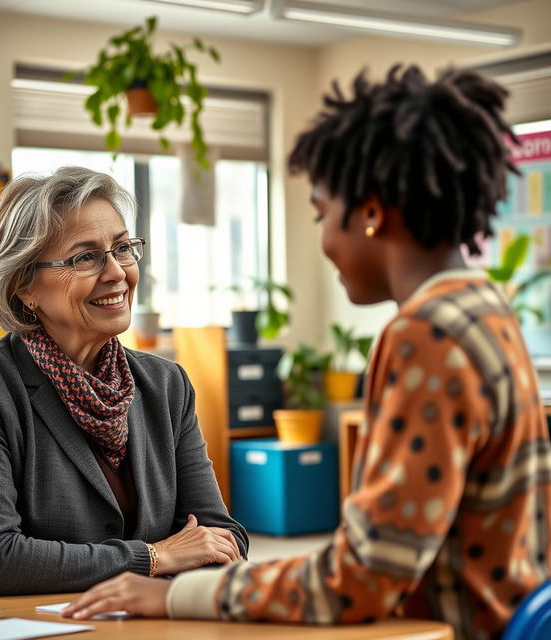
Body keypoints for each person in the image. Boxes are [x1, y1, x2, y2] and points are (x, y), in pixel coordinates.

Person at [62, 66, 551, 639]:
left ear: (370, 213)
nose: (322, 240)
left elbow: (363, 578)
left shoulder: (428, 333)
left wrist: (174, 595)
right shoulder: (483, 307)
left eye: (321, 214)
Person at [0, 166, 248, 595]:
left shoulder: (165, 385)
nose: (117, 272)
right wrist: (155, 557)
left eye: (122, 248)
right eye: (85, 257)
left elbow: (220, 535)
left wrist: (200, 554)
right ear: (24, 287)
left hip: (139, 623)